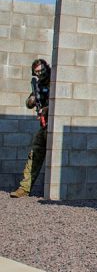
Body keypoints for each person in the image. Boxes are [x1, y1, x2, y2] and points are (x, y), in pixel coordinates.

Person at [10, 59, 51, 198]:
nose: (40, 74)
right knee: (34, 155)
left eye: (41, 71)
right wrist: (32, 100)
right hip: (44, 125)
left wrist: (46, 110)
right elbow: (29, 103)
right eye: (37, 72)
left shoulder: (55, 80)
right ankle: (24, 188)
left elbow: (61, 101)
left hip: (55, 124)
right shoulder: (38, 84)